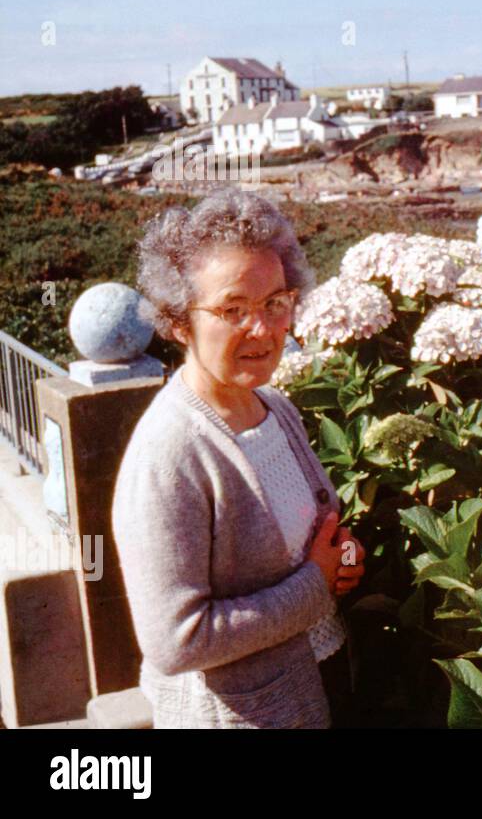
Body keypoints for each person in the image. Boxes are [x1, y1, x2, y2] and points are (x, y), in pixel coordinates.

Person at [113, 189, 364, 728]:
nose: (264, 328)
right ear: (179, 322)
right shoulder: (168, 452)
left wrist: (341, 563)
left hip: (321, 685)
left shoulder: (273, 406)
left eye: (276, 302)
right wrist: (315, 587)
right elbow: (177, 642)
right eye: (233, 309)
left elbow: (310, 546)